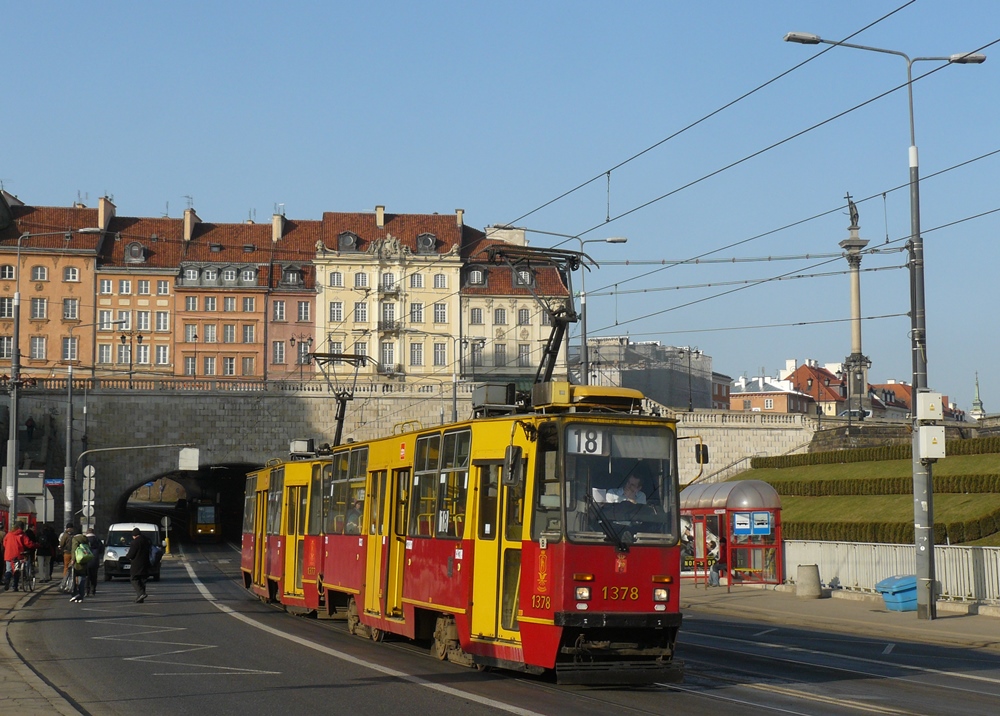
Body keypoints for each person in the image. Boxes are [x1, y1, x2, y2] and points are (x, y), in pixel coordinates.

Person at [3, 521, 37, 592]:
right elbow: (28, 543)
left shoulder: (9, 534)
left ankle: (7, 581)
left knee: (8, 569)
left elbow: (4, 543)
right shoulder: (22, 534)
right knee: (16, 571)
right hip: (17, 555)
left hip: (8, 554)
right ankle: (15, 586)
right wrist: (36, 545)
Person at [125, 528, 152, 603]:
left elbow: (131, 554)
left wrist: (127, 556)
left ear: (134, 535)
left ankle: (141, 594)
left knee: (134, 579)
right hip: (146, 563)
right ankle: (141, 598)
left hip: (137, 564)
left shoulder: (135, 542)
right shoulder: (147, 540)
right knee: (143, 580)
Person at [69, 529, 92, 603]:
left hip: (77, 562)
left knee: (73, 579)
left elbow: (74, 550)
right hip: (84, 561)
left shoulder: (75, 539)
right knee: (82, 579)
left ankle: (75, 595)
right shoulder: (85, 539)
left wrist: (72, 560)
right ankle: (81, 596)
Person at [84, 528, 105, 596]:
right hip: (95, 560)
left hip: (86, 560)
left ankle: (87, 590)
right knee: (94, 576)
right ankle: (93, 590)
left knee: (87, 576)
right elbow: (102, 550)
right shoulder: (97, 540)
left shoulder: (84, 540)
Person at [58, 523, 75, 592]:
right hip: (74, 553)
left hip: (67, 553)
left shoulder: (65, 535)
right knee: (74, 568)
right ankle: (74, 582)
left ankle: (65, 582)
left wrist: (60, 548)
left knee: (66, 567)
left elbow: (62, 544)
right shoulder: (75, 535)